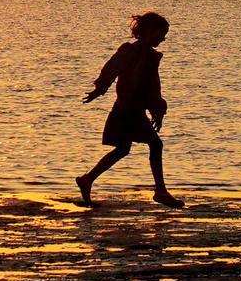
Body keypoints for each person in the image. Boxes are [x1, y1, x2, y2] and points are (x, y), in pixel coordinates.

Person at [76, 12, 183, 208]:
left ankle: (87, 179)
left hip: (134, 110)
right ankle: (160, 191)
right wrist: (99, 89)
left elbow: (151, 87)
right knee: (154, 145)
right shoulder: (132, 51)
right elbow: (111, 69)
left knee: (123, 149)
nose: (164, 38)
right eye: (161, 34)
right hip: (128, 110)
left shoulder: (150, 56)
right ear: (149, 31)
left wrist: (158, 109)